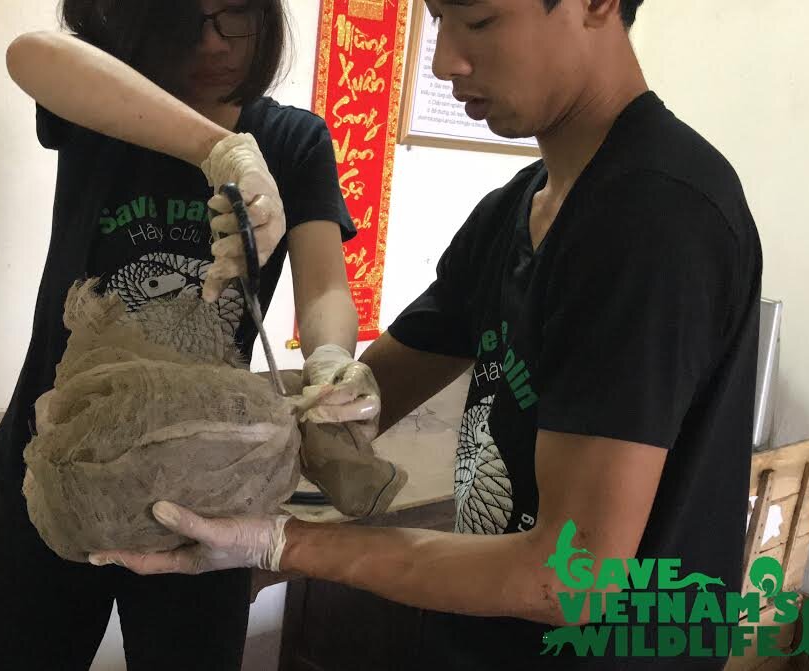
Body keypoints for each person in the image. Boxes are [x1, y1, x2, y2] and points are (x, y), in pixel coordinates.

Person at [95, 0, 764, 669]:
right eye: (439, 22)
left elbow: (570, 578)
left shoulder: (654, 219)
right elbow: (368, 393)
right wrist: (318, 391)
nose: (444, 62)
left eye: (478, 22)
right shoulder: (517, 207)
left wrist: (280, 542)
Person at [0, 1, 380, 669]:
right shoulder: (110, 108)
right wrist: (218, 150)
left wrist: (332, 359)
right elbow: (29, 54)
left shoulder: (295, 140)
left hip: (210, 487)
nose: (214, 42)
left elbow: (325, 285)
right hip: (58, 468)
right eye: (186, 19)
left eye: (234, 15)